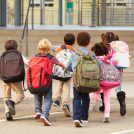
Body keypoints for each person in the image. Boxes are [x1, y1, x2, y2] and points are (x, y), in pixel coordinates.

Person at [66, 32, 101, 127]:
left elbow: (68, 67)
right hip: (88, 81)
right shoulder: (91, 54)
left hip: (76, 82)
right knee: (86, 98)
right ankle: (84, 117)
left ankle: (77, 117)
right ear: (88, 43)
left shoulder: (74, 54)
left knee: (77, 98)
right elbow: (99, 65)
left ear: (77, 42)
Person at [33, 39, 66, 126]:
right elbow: (60, 63)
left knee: (37, 95)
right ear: (49, 48)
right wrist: (64, 67)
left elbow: (29, 62)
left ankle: (38, 110)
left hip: (36, 81)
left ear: (39, 48)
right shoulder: (51, 58)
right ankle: (45, 114)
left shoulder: (35, 56)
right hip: (47, 82)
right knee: (48, 98)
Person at [1, 40, 28, 121]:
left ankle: (7, 113)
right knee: (20, 94)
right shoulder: (19, 54)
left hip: (4, 78)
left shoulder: (3, 55)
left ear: (5, 48)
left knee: (6, 96)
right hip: (15, 77)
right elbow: (27, 64)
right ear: (16, 48)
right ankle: (12, 102)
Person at [101, 32, 126, 116]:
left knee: (104, 88)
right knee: (118, 89)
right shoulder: (119, 48)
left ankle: (104, 106)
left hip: (106, 71)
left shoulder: (104, 48)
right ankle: (122, 103)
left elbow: (102, 59)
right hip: (118, 70)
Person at [52, 33, 75, 117]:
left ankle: (57, 99)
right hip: (67, 71)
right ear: (74, 42)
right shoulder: (74, 50)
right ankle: (66, 104)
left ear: (63, 41)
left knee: (61, 82)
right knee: (67, 86)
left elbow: (49, 47)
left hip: (58, 70)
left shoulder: (58, 47)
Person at [92, 42, 112, 122]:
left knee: (95, 93)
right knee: (107, 98)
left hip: (97, 81)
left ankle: (98, 99)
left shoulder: (94, 59)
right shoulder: (106, 59)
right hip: (107, 81)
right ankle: (107, 114)